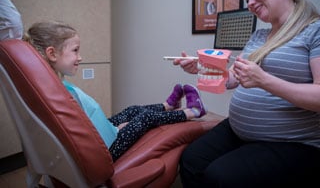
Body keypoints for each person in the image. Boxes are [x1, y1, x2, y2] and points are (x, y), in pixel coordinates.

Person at [174, 0, 320, 187]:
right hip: (239, 129)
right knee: (191, 160)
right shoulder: (259, 36)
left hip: (293, 142)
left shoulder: (314, 30)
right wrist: (202, 68)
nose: (249, 2)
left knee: (220, 176)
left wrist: (264, 80)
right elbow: (233, 78)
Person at [23, 21, 207, 161]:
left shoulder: (52, 87)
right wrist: (118, 131)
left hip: (102, 135)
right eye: (75, 50)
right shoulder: (60, 94)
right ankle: (192, 112)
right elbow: (83, 135)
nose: (80, 57)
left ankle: (168, 106)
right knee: (145, 118)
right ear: (52, 53)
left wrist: (113, 127)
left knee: (132, 110)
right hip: (105, 149)